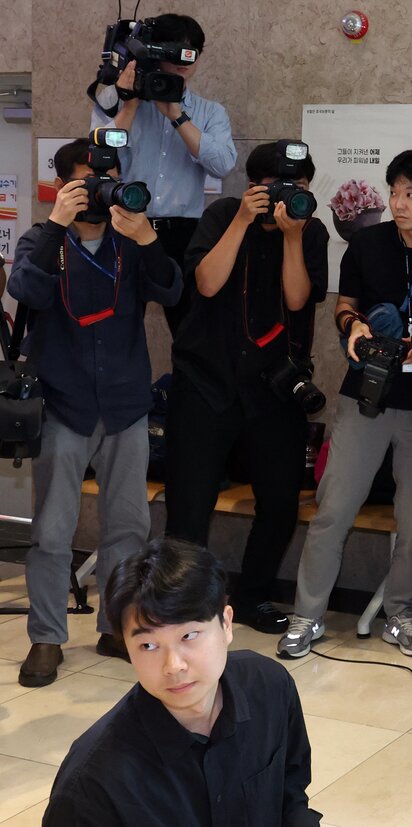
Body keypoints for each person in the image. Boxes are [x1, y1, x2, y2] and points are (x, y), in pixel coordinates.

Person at [278, 150, 412, 659]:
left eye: (411, 194)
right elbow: (345, 305)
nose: (399, 204)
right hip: (365, 394)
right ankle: (307, 615)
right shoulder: (366, 242)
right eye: (394, 193)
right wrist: (352, 326)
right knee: (333, 508)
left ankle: (401, 613)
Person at [8, 138, 182, 687]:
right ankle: (46, 639)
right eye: (86, 180)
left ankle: (117, 626)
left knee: (128, 529)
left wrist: (149, 237)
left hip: (127, 405)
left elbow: (173, 291)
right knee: (53, 531)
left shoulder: (131, 241)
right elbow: (24, 290)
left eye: (105, 178)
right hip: (63, 405)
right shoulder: (43, 238)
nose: (98, 190)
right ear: (63, 185)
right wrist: (58, 225)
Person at [163, 142, 328, 635]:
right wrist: (241, 221)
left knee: (279, 504)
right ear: (254, 186)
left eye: (299, 188)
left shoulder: (310, 231)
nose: (289, 197)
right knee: (189, 506)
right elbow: (207, 284)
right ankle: (187, 606)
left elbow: (298, 298)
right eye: (278, 187)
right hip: (205, 383)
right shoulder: (219, 216)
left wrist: (293, 237)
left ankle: (253, 595)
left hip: (274, 388)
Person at [43, 537, 320, 826]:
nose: (173, 666)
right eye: (148, 646)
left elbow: (291, 792)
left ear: (226, 624)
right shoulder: (92, 785)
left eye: (189, 636)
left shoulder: (269, 686)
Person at [91, 13, 236, 336]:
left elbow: (223, 163)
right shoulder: (113, 100)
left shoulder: (209, 112)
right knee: (117, 326)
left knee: (192, 330)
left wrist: (176, 115)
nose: (184, 60)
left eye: (192, 51)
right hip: (125, 224)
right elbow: (100, 162)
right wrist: (128, 103)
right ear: (155, 52)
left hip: (184, 232)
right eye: (174, 51)